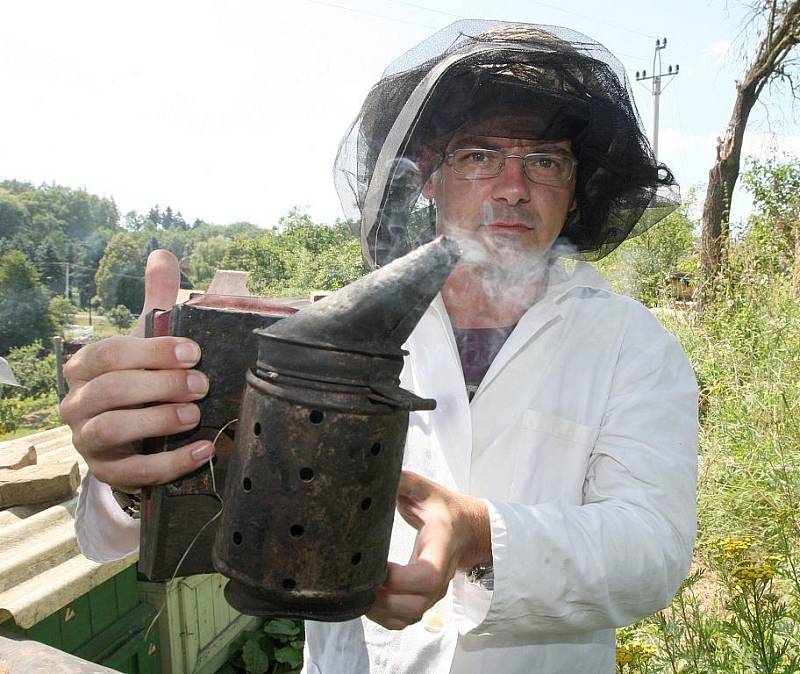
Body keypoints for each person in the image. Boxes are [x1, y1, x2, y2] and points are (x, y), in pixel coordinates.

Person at [62, 20, 698, 674]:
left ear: (575, 185)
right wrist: (139, 466)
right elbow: (118, 534)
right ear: (427, 176)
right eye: (480, 155)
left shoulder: (632, 346)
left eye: (544, 160)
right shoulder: (324, 333)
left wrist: (483, 536)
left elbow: (654, 551)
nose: (514, 186)